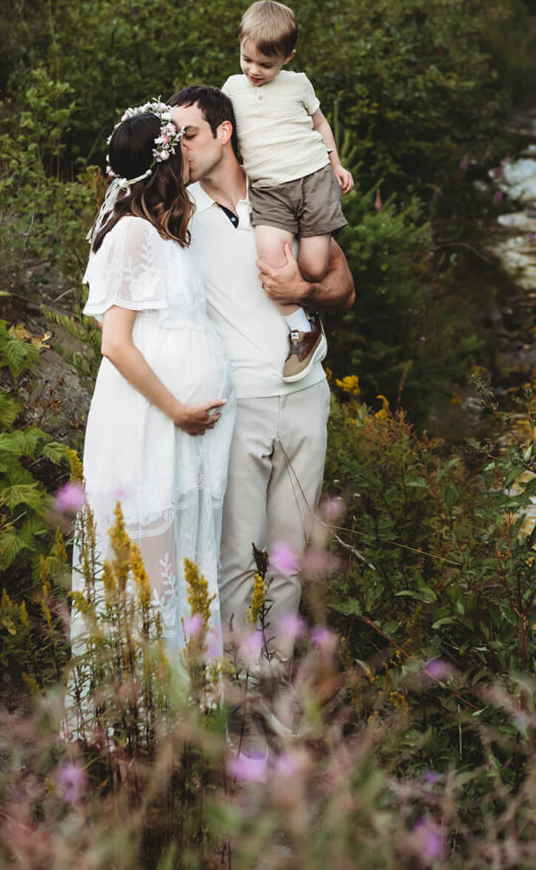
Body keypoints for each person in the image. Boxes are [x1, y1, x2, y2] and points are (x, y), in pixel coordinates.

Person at [168, 84, 354, 665]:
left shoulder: (286, 189)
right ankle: (240, 682)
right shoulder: (176, 213)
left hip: (306, 396)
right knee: (237, 554)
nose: (180, 146)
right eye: (173, 137)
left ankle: (277, 676)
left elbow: (344, 289)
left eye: (190, 134)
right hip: (237, 404)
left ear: (225, 131)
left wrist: (304, 289)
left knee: (290, 551)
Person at [78, 101, 237, 648]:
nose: (190, 154)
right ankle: (143, 708)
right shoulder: (132, 235)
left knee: (181, 565)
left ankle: (182, 701)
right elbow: (115, 345)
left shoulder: (163, 231)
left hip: (180, 428)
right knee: (152, 569)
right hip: (150, 422)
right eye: (179, 145)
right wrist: (176, 409)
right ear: (163, 164)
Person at [219, 0, 354, 382]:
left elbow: (320, 125)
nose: (254, 71)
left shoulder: (298, 84)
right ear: (241, 46)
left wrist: (336, 163)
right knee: (270, 263)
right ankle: (302, 328)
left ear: (287, 56)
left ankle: (312, 308)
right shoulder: (232, 88)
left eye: (266, 64)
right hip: (268, 190)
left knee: (311, 267)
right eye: (247, 60)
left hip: (313, 178)